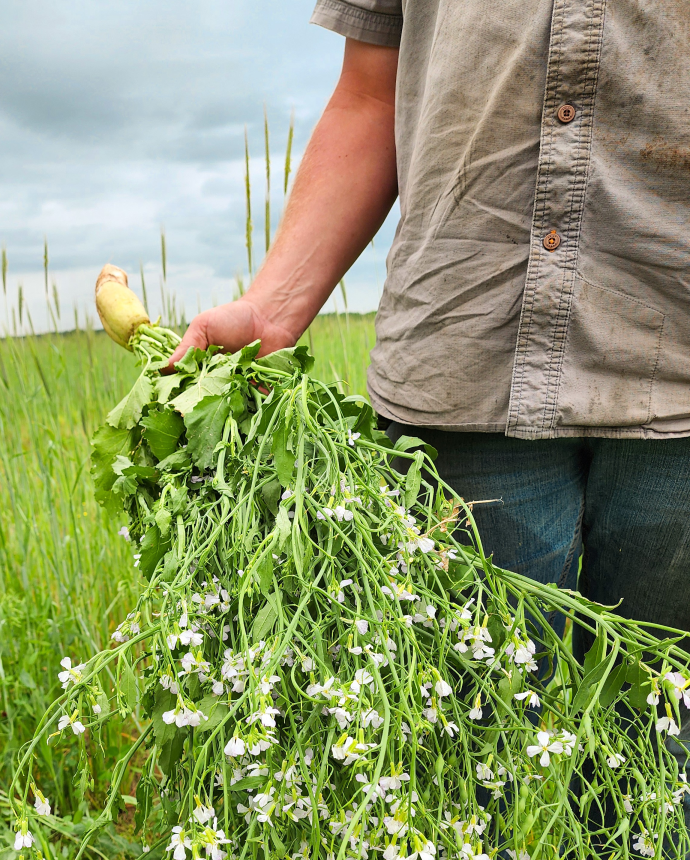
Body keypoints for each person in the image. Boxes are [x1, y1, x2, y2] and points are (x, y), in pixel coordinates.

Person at [169, 0, 690, 827]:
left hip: (679, 360)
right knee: (458, 760)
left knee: (656, 758)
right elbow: (373, 94)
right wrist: (274, 307)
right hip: (462, 357)